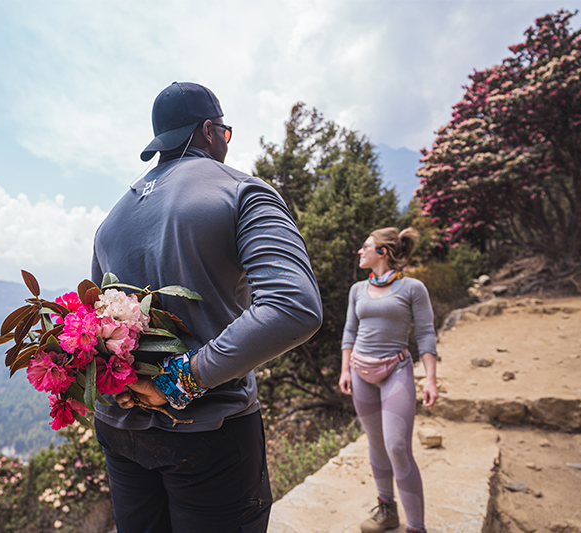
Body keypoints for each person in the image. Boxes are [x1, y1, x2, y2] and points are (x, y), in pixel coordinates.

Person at [91, 81, 323, 533]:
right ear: (208, 131)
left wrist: (123, 387)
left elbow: (96, 322)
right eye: (226, 132)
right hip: (208, 433)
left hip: (120, 429)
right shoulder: (240, 190)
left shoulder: (109, 222)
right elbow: (293, 306)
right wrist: (179, 380)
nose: (226, 142)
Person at [338, 227, 439, 533]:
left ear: (382, 252)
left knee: (397, 446)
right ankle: (387, 510)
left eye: (365, 246)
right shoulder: (357, 290)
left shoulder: (412, 288)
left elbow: (425, 333)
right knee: (376, 444)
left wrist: (431, 379)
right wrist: (344, 369)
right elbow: (349, 332)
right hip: (360, 372)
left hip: (395, 371)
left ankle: (417, 527)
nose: (360, 251)